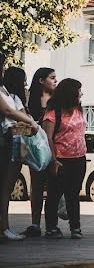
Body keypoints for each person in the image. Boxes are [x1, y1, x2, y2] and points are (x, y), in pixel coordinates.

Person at [43, 78, 87, 240]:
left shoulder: (78, 110)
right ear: (70, 93)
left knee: (73, 194)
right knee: (55, 194)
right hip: (60, 159)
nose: (81, 93)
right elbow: (47, 138)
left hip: (79, 158)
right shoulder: (53, 112)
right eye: (78, 90)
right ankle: (51, 227)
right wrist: (53, 160)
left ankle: (75, 227)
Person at [0, 67, 39, 243]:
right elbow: (11, 113)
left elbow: (24, 115)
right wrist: (30, 121)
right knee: (5, 188)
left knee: (8, 187)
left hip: (16, 142)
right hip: (8, 142)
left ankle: (5, 227)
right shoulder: (4, 94)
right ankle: (4, 228)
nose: (25, 85)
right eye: (23, 81)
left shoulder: (14, 96)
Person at [21, 68, 57, 238]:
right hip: (36, 149)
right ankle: (35, 224)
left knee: (53, 186)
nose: (55, 81)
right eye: (52, 78)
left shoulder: (57, 101)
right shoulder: (29, 100)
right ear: (41, 80)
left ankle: (52, 224)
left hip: (55, 147)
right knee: (36, 186)